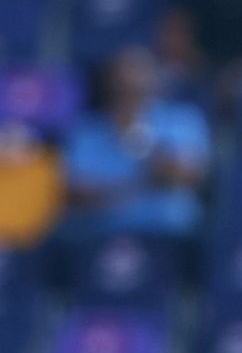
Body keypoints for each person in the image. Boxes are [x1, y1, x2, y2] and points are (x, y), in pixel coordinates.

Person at [63, 47, 211, 239]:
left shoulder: (184, 118)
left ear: (156, 82)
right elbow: (78, 195)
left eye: (138, 87)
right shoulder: (86, 130)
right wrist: (143, 183)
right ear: (109, 85)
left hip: (172, 235)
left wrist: (144, 141)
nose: (130, 92)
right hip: (101, 237)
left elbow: (188, 175)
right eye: (123, 88)